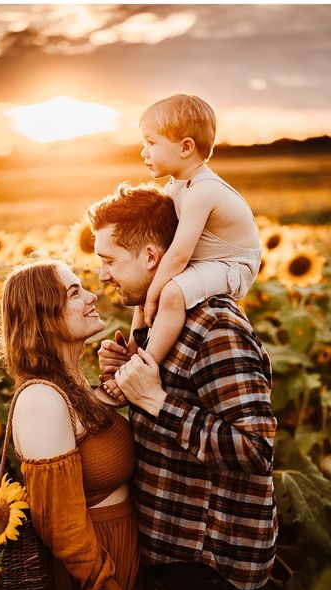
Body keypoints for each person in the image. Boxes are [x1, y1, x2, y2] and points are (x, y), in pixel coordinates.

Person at [89, 183, 277, 590]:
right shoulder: (158, 322)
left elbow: (255, 451)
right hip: (177, 552)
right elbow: (169, 412)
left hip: (211, 560)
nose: (100, 272)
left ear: (151, 255)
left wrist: (155, 401)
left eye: (108, 258)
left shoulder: (215, 328)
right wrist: (126, 376)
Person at [0, 258, 157, 590]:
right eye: (73, 293)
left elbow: (114, 406)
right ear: (42, 316)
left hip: (120, 550)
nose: (91, 297)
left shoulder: (72, 387)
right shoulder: (41, 401)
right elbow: (60, 525)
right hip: (94, 570)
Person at [99, 93, 261, 406]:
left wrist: (155, 295)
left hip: (233, 265)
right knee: (149, 290)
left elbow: (179, 254)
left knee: (169, 292)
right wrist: (148, 295)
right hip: (209, 260)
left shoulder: (203, 190)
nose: (143, 152)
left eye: (151, 142)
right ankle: (133, 356)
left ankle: (143, 370)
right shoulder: (176, 187)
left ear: (185, 147)